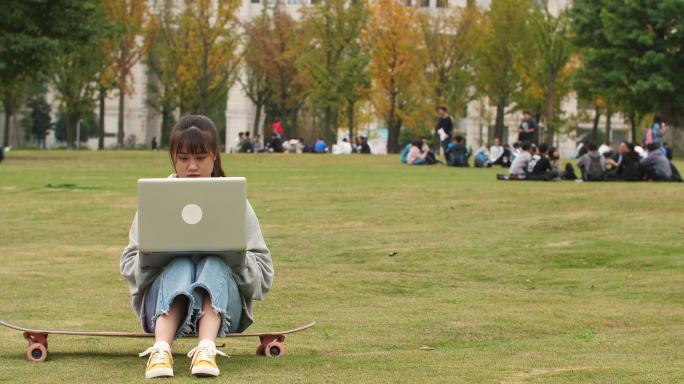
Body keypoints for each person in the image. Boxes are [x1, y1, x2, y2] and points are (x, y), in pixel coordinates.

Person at [120, 115, 273, 379]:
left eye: (200, 157)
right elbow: (128, 265)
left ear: (214, 156)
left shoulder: (234, 201)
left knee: (213, 263)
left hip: (224, 311)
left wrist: (235, 259)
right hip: (161, 309)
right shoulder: (156, 199)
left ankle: (206, 348)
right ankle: (161, 349)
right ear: (173, 158)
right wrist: (155, 257)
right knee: (179, 264)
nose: (192, 166)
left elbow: (264, 276)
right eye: (183, 158)